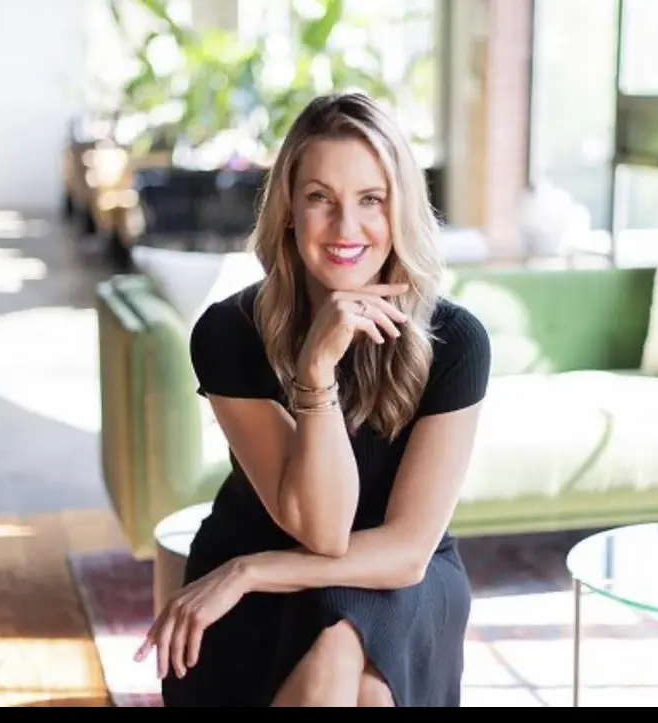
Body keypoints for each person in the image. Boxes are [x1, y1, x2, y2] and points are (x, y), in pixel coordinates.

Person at [135, 92, 492, 707]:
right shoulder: (230, 333)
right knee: (342, 656)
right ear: (289, 211)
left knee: (348, 646)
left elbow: (408, 552)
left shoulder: (453, 341)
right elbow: (322, 530)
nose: (346, 228)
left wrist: (249, 572)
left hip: (393, 574)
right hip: (266, 558)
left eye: (371, 199)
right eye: (321, 198)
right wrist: (316, 370)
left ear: (400, 208)